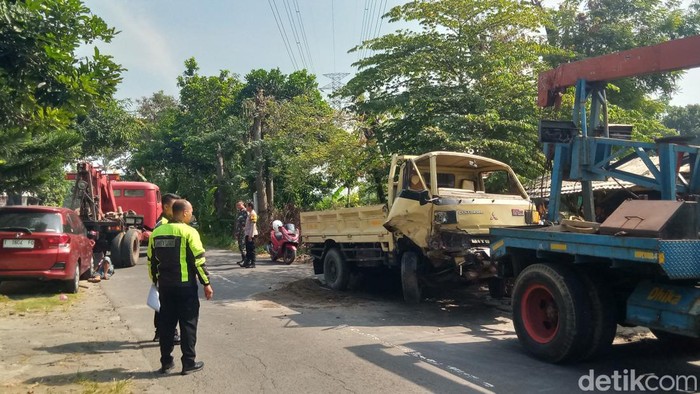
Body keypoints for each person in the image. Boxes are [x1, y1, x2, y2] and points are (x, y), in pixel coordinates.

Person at [147, 199, 213, 375]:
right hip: (185, 287)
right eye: (190, 212)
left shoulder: (157, 232)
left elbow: (151, 261)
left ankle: (166, 363)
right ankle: (188, 363)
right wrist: (206, 283)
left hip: (165, 288)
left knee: (166, 325)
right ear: (184, 213)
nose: (191, 215)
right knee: (188, 325)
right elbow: (199, 261)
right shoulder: (189, 232)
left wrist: (156, 281)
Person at [153, 193, 181, 344]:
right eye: (175, 207)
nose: (178, 210)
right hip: (168, 273)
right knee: (168, 306)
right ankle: (169, 333)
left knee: (162, 303)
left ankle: (160, 331)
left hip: (164, 273)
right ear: (165, 207)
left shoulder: (166, 222)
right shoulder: (163, 225)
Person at [241, 201, 258, 268]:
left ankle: (253, 263)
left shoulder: (253, 214)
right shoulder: (249, 213)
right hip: (247, 234)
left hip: (251, 234)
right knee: (248, 249)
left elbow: (253, 225)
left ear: (250, 207)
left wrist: (251, 235)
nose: (246, 207)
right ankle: (247, 262)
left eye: (247, 206)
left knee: (251, 249)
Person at [234, 201, 248, 266]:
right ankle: (243, 259)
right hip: (239, 231)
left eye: (239, 205)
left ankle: (246, 260)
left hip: (243, 231)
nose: (238, 206)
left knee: (243, 245)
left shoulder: (245, 211)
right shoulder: (239, 212)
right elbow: (237, 223)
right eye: (237, 205)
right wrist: (236, 232)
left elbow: (246, 222)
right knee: (240, 245)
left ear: (243, 204)